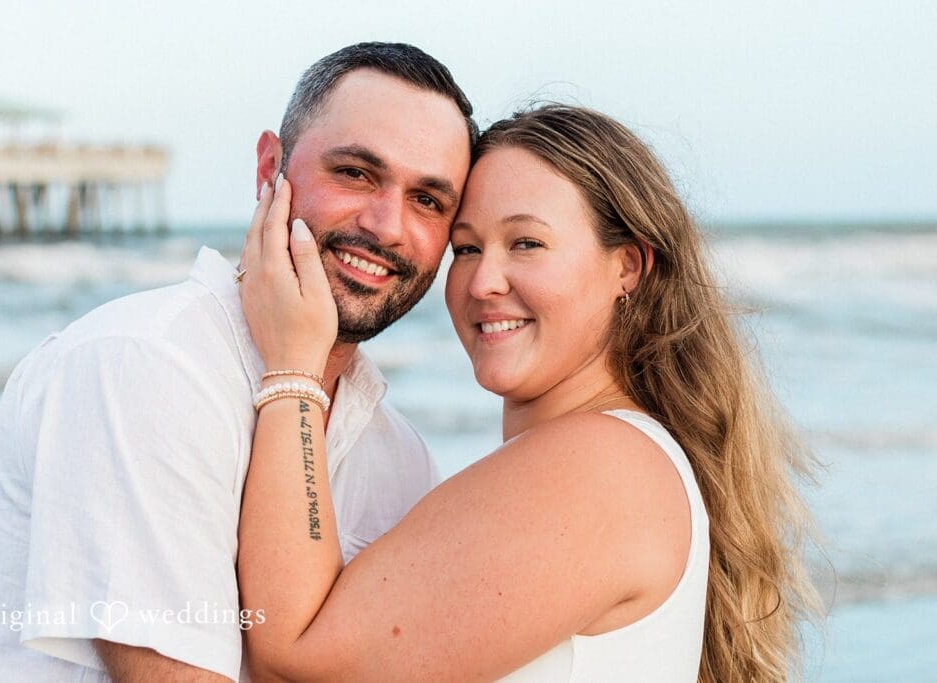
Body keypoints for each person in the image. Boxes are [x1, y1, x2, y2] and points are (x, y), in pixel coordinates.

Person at [235, 104, 821, 681]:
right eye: (466, 249)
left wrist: (293, 366)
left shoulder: (599, 466)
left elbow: (297, 663)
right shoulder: (614, 459)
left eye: (526, 244)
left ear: (628, 267)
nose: (484, 282)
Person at [0, 42, 474, 682]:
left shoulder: (402, 458)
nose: (388, 225)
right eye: (356, 173)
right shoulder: (144, 365)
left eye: (428, 200)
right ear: (269, 169)